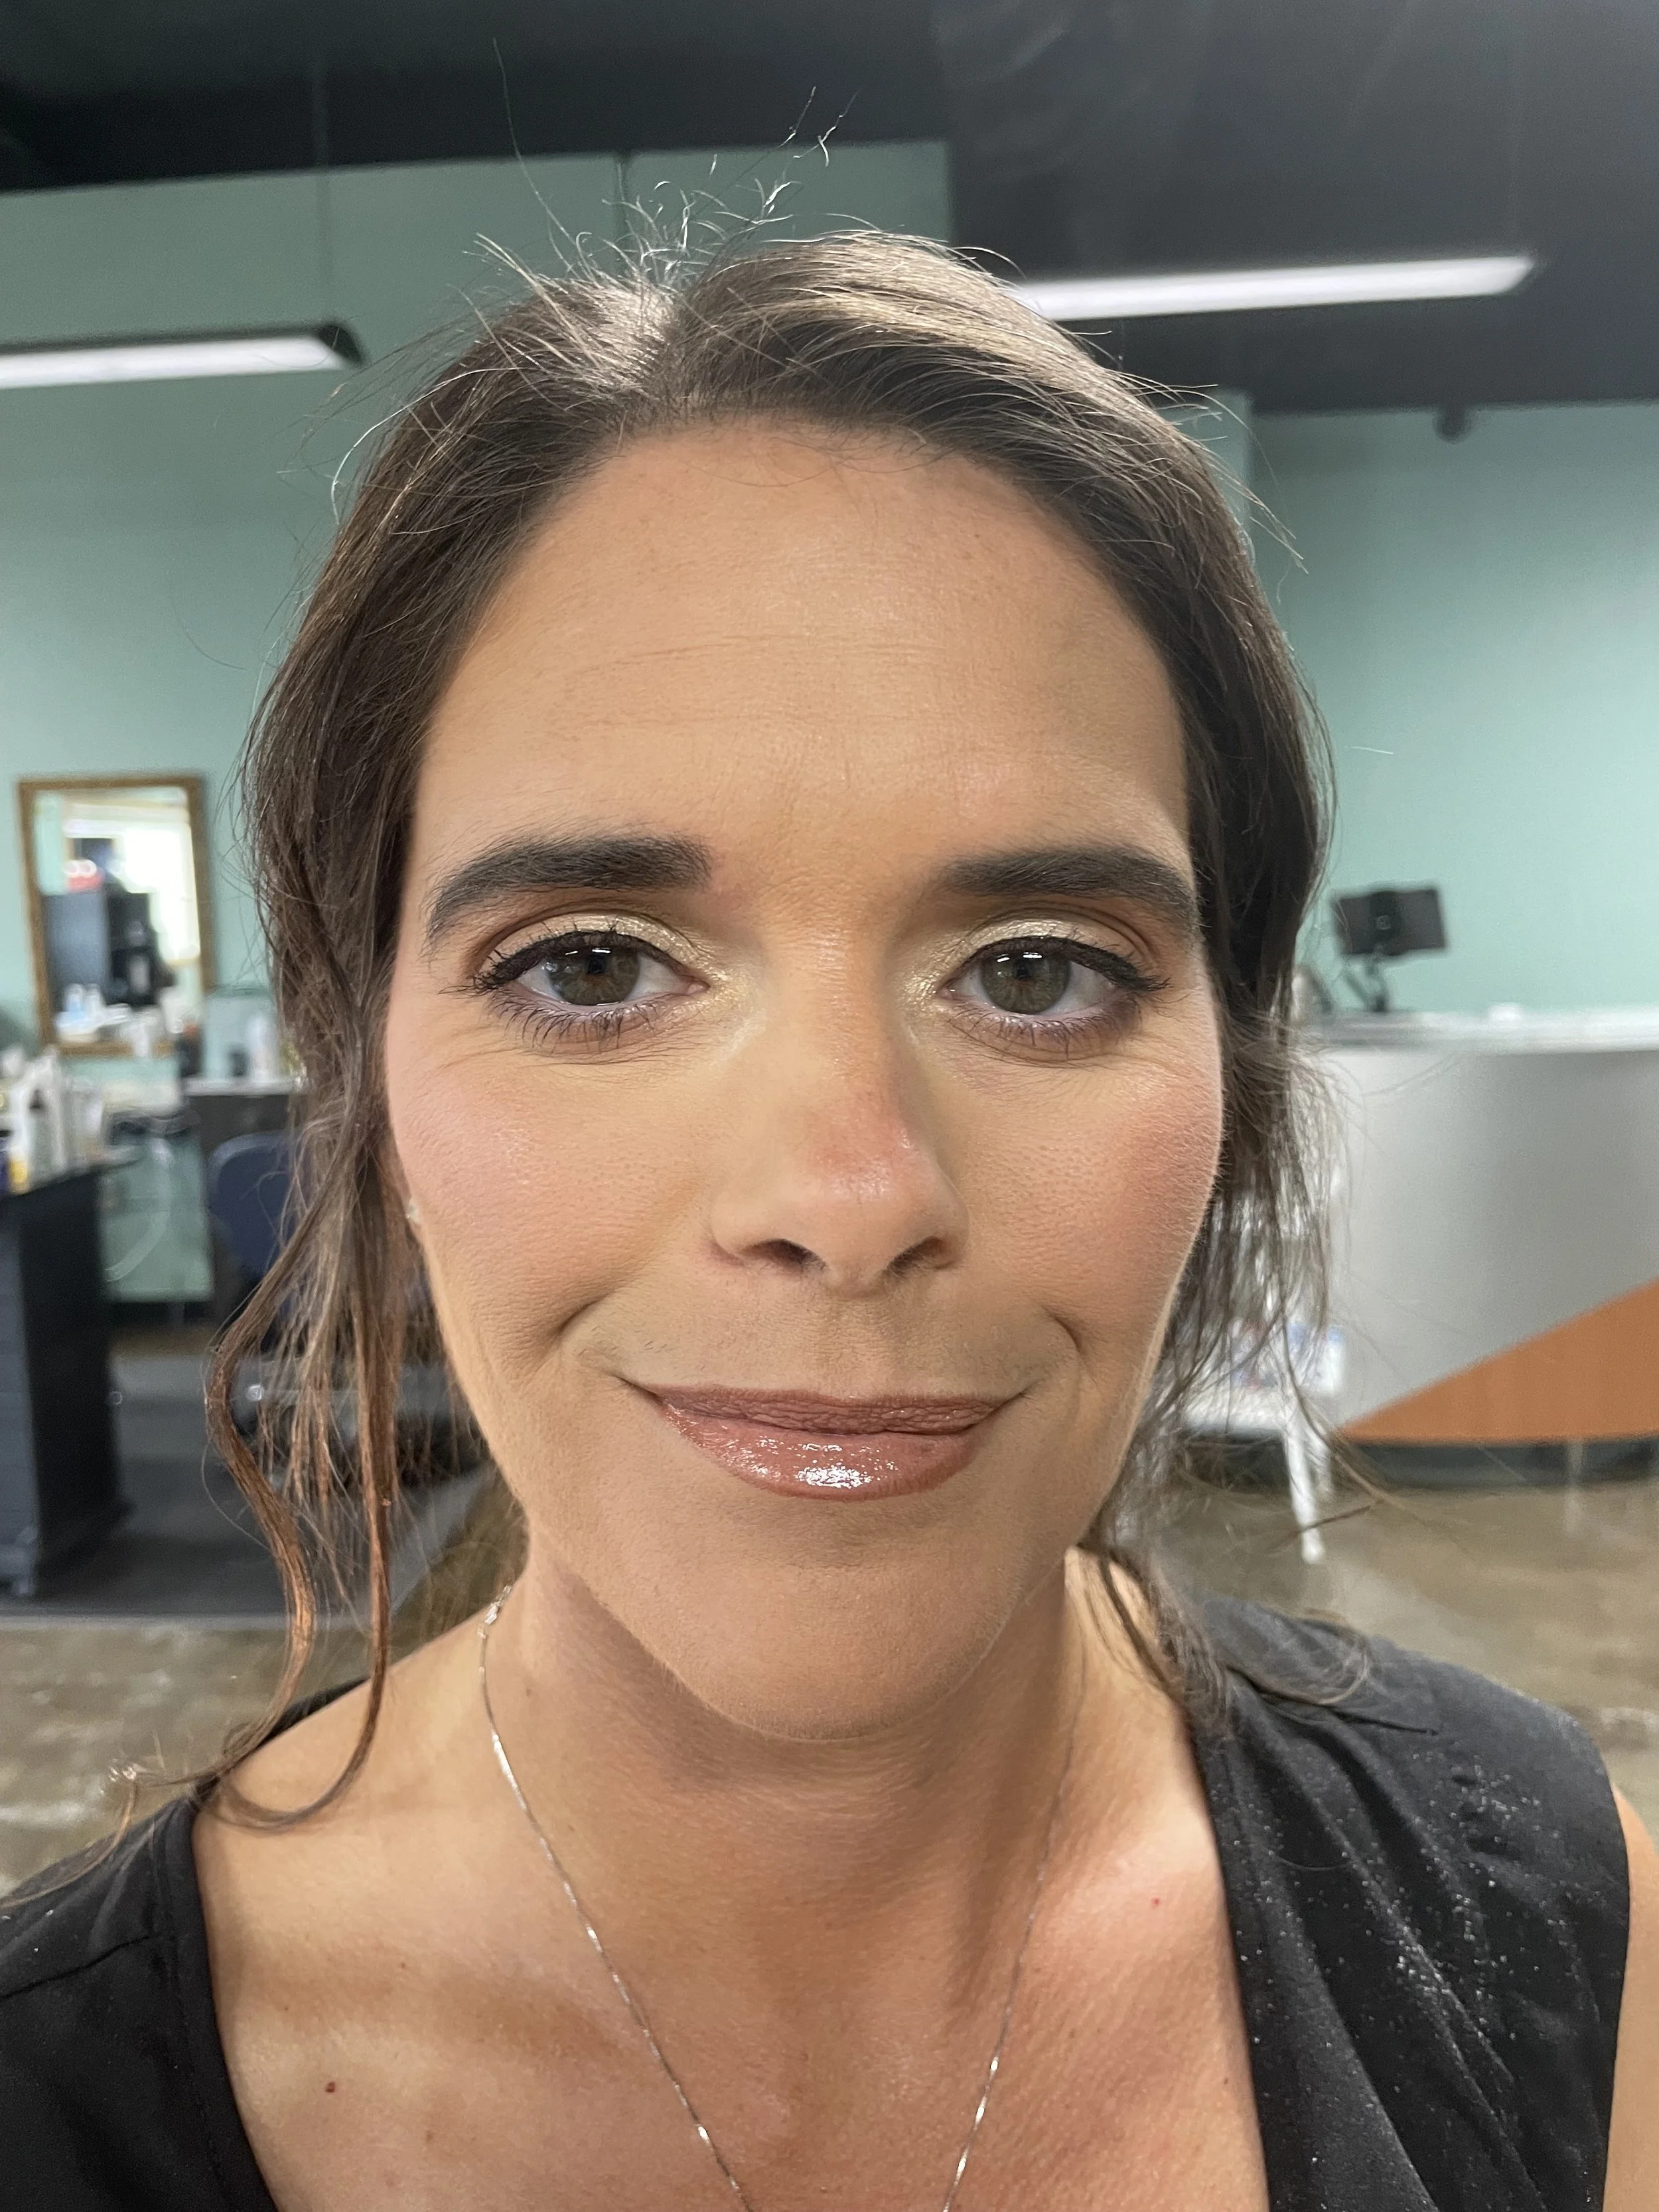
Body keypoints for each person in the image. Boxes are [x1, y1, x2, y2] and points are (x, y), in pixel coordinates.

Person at [1, 232, 1652, 2211]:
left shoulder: (1559, 1926)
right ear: (365, 1076)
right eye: (595, 966)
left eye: (1036, 971)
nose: (848, 1197)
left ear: (1229, 1063)